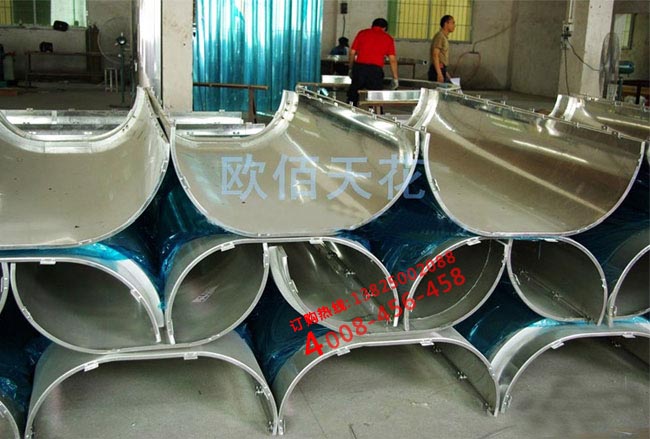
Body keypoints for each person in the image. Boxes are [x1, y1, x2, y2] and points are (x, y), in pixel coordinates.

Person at [346, 18, 399, 106]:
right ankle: (375, 112)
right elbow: (392, 60)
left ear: (372, 26)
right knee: (375, 97)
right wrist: (395, 78)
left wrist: (351, 68)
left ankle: (349, 109)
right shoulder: (388, 38)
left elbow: (352, 52)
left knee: (353, 94)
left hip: (359, 68)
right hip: (375, 71)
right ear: (385, 28)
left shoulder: (362, 33)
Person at [429, 15, 455, 83]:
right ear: (446, 24)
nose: (454, 26)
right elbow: (435, 55)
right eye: (452, 23)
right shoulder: (440, 36)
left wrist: (446, 74)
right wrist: (439, 74)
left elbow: (441, 59)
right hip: (437, 71)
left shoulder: (444, 37)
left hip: (441, 69)